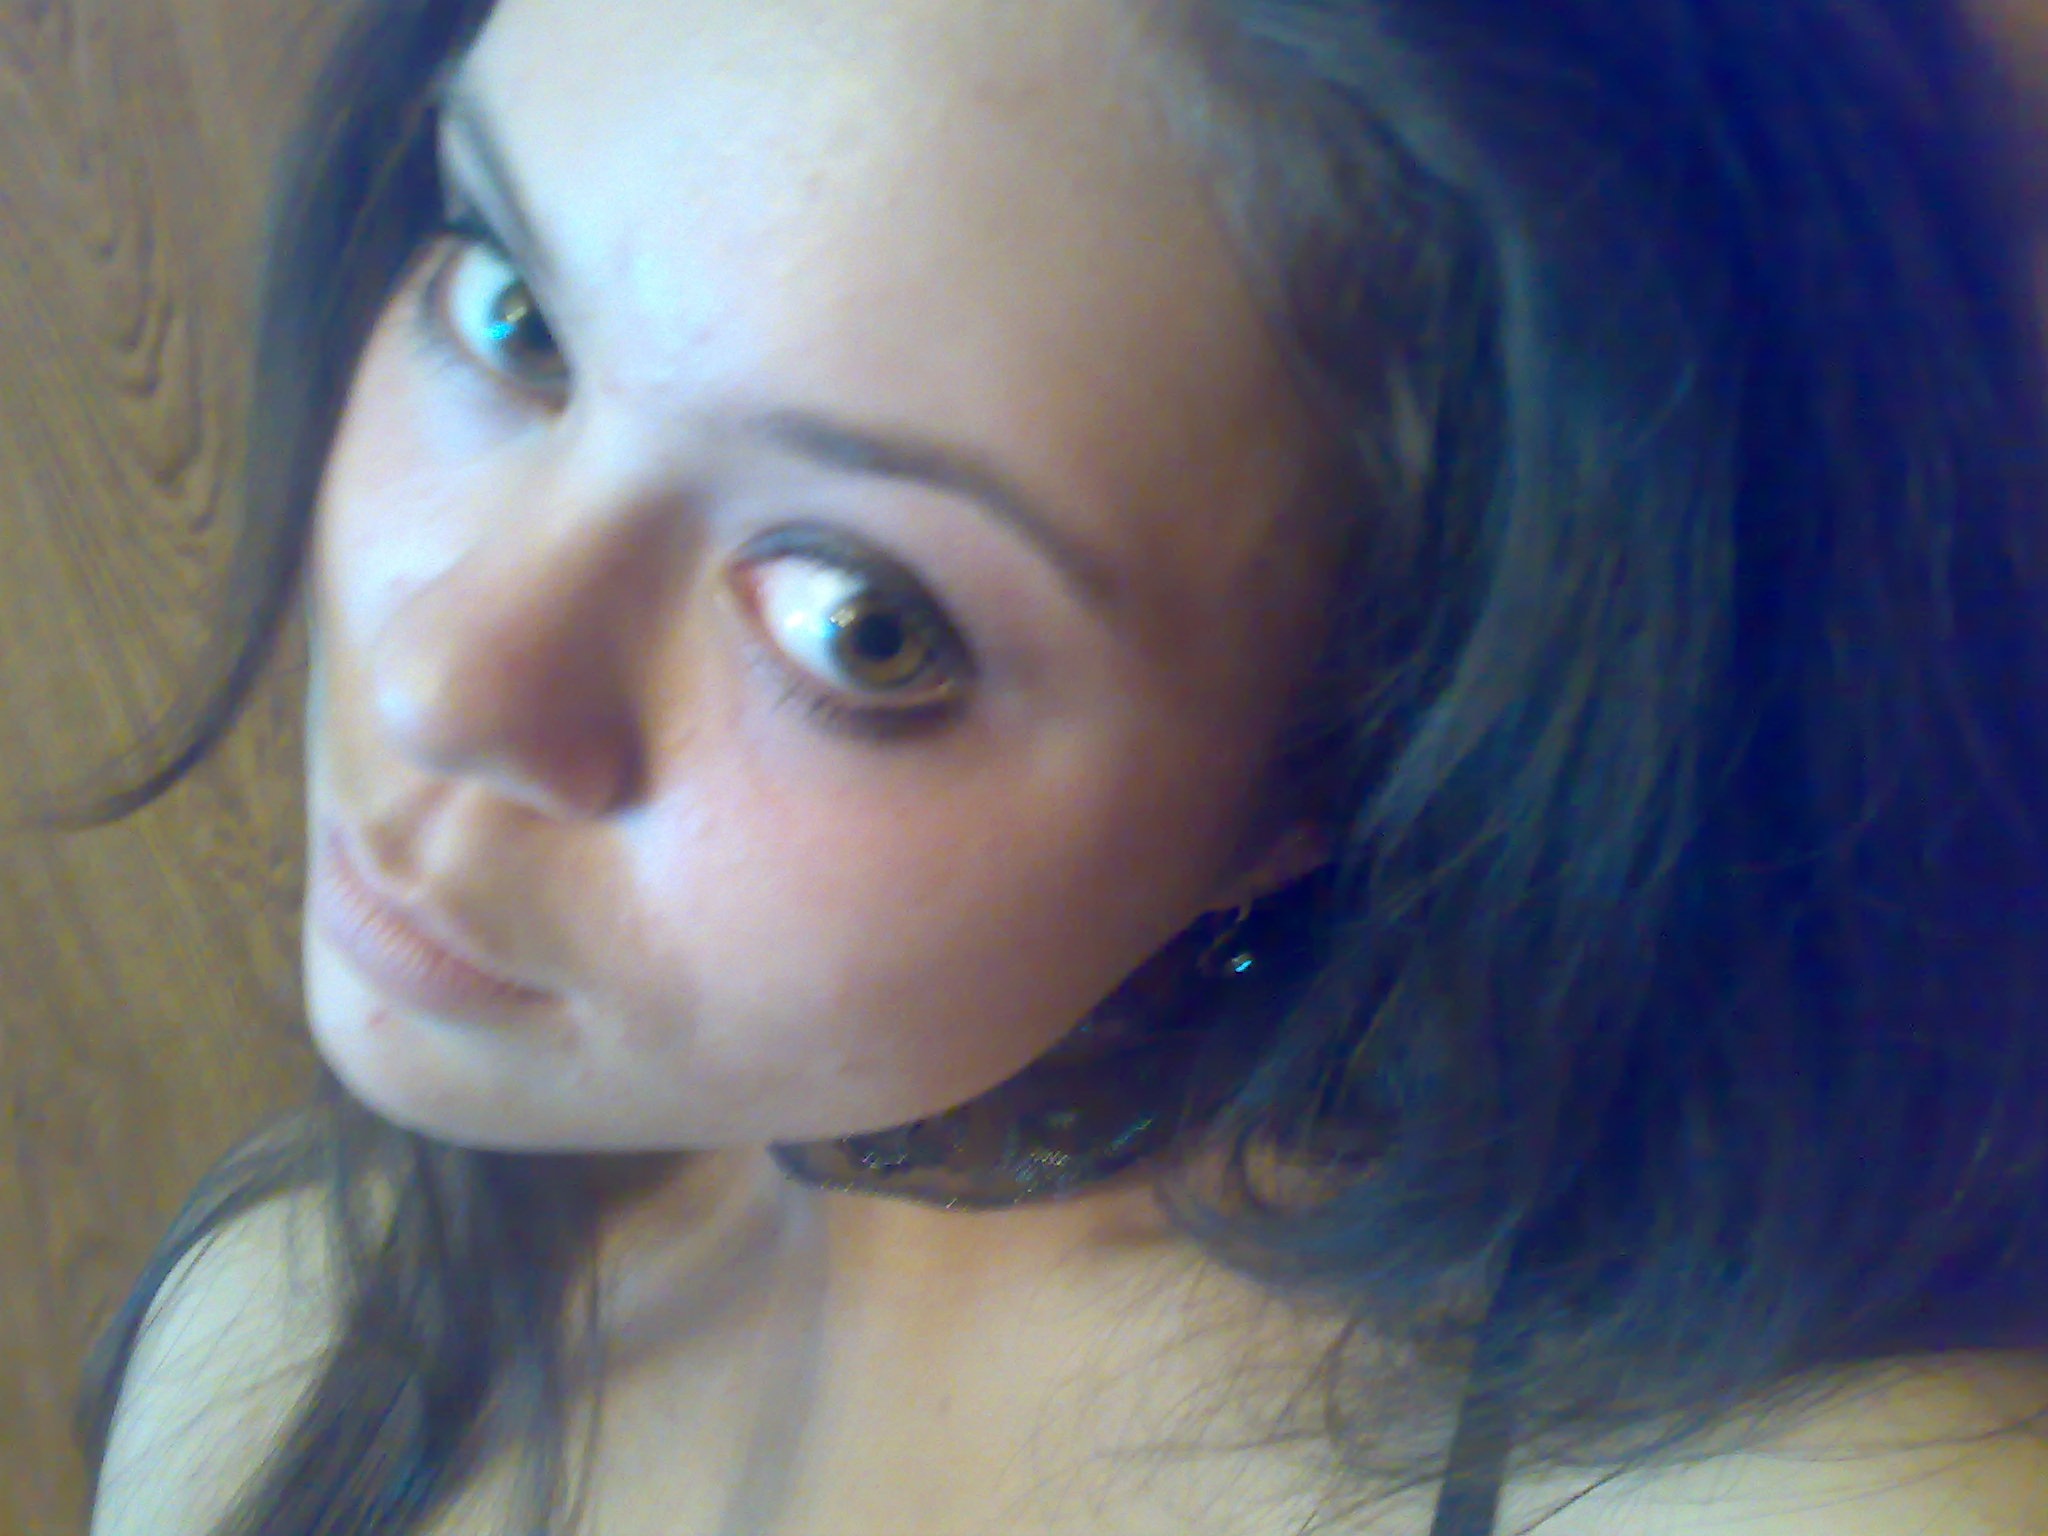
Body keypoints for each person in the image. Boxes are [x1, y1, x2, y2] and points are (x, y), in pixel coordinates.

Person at [51, 0, 2048, 1532]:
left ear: (1356, 757)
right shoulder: (284, 1323)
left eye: (862, 620)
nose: (442, 681)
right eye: (509, 316)